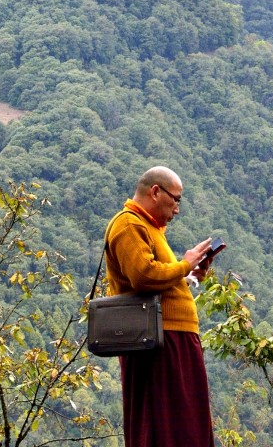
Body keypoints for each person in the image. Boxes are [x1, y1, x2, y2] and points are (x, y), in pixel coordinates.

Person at [104, 166, 215, 447]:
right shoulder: (129, 224)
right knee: (165, 426)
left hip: (171, 338)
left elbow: (158, 280)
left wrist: (188, 276)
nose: (177, 209)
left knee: (185, 425)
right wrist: (184, 264)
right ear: (155, 192)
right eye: (175, 199)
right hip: (157, 342)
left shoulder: (149, 227)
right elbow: (142, 276)